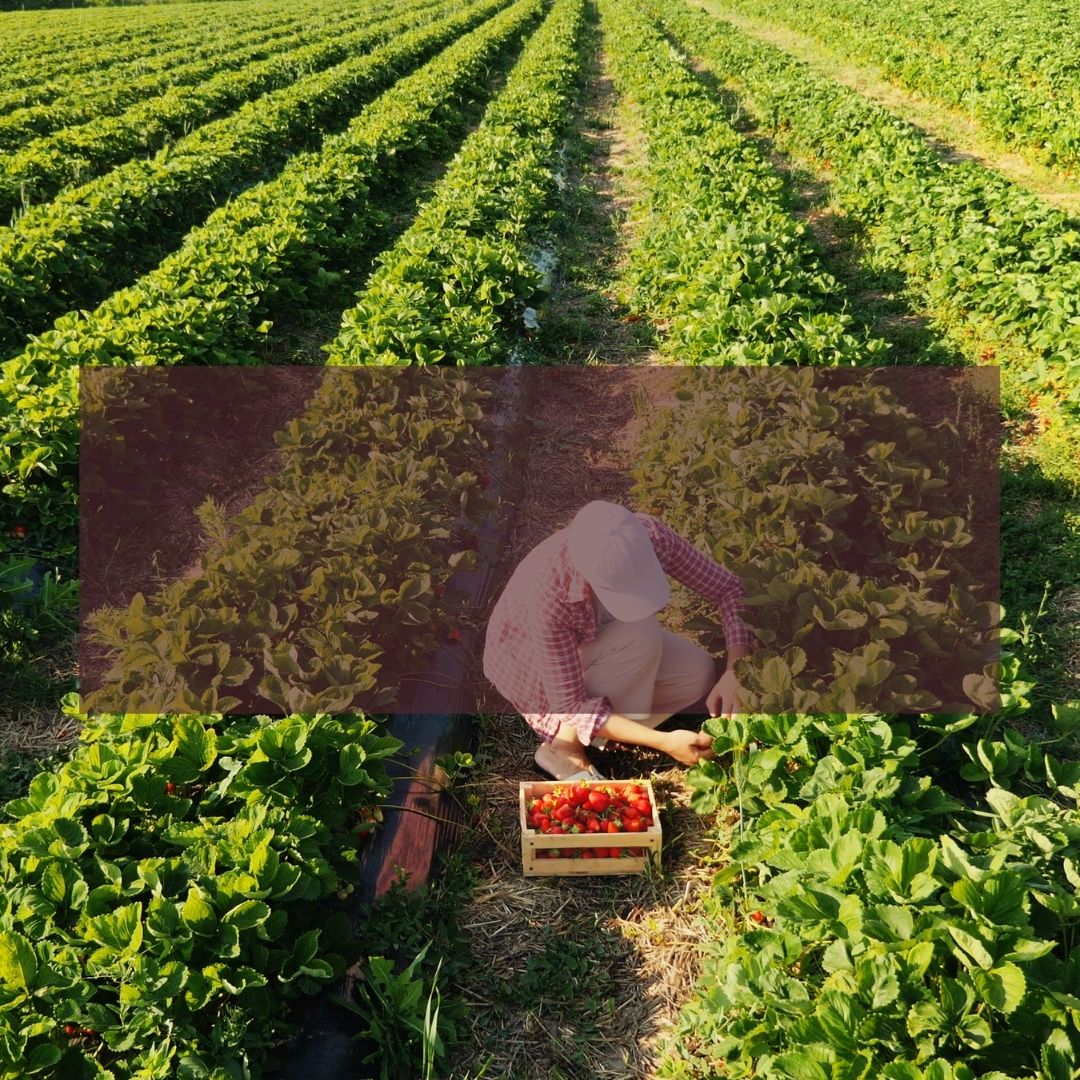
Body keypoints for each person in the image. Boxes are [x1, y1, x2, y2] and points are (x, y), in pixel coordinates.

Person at [483, 500, 754, 781]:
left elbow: (728, 589)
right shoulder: (551, 596)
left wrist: (736, 670)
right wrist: (662, 742)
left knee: (698, 673)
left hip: (604, 639)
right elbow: (570, 704)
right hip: (528, 662)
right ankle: (564, 747)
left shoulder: (649, 537)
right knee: (641, 637)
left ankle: (611, 726)